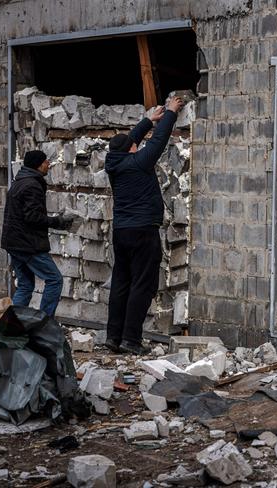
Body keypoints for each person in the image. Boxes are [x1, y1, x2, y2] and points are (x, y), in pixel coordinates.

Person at [105, 96, 184, 355]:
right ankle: (131, 340)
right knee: (142, 284)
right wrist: (171, 113)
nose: (136, 146)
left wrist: (148, 120)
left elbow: (131, 141)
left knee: (121, 283)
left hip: (122, 232)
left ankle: (113, 337)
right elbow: (158, 141)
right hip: (143, 231)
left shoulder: (114, 163)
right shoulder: (140, 162)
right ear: (132, 150)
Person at [1, 150, 75, 317]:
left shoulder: (20, 181)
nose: (49, 164)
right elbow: (32, 217)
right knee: (55, 280)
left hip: (14, 243)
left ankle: (12, 329)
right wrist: (57, 221)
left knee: (26, 285)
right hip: (27, 244)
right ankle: (43, 325)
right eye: (46, 161)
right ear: (39, 165)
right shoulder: (32, 185)